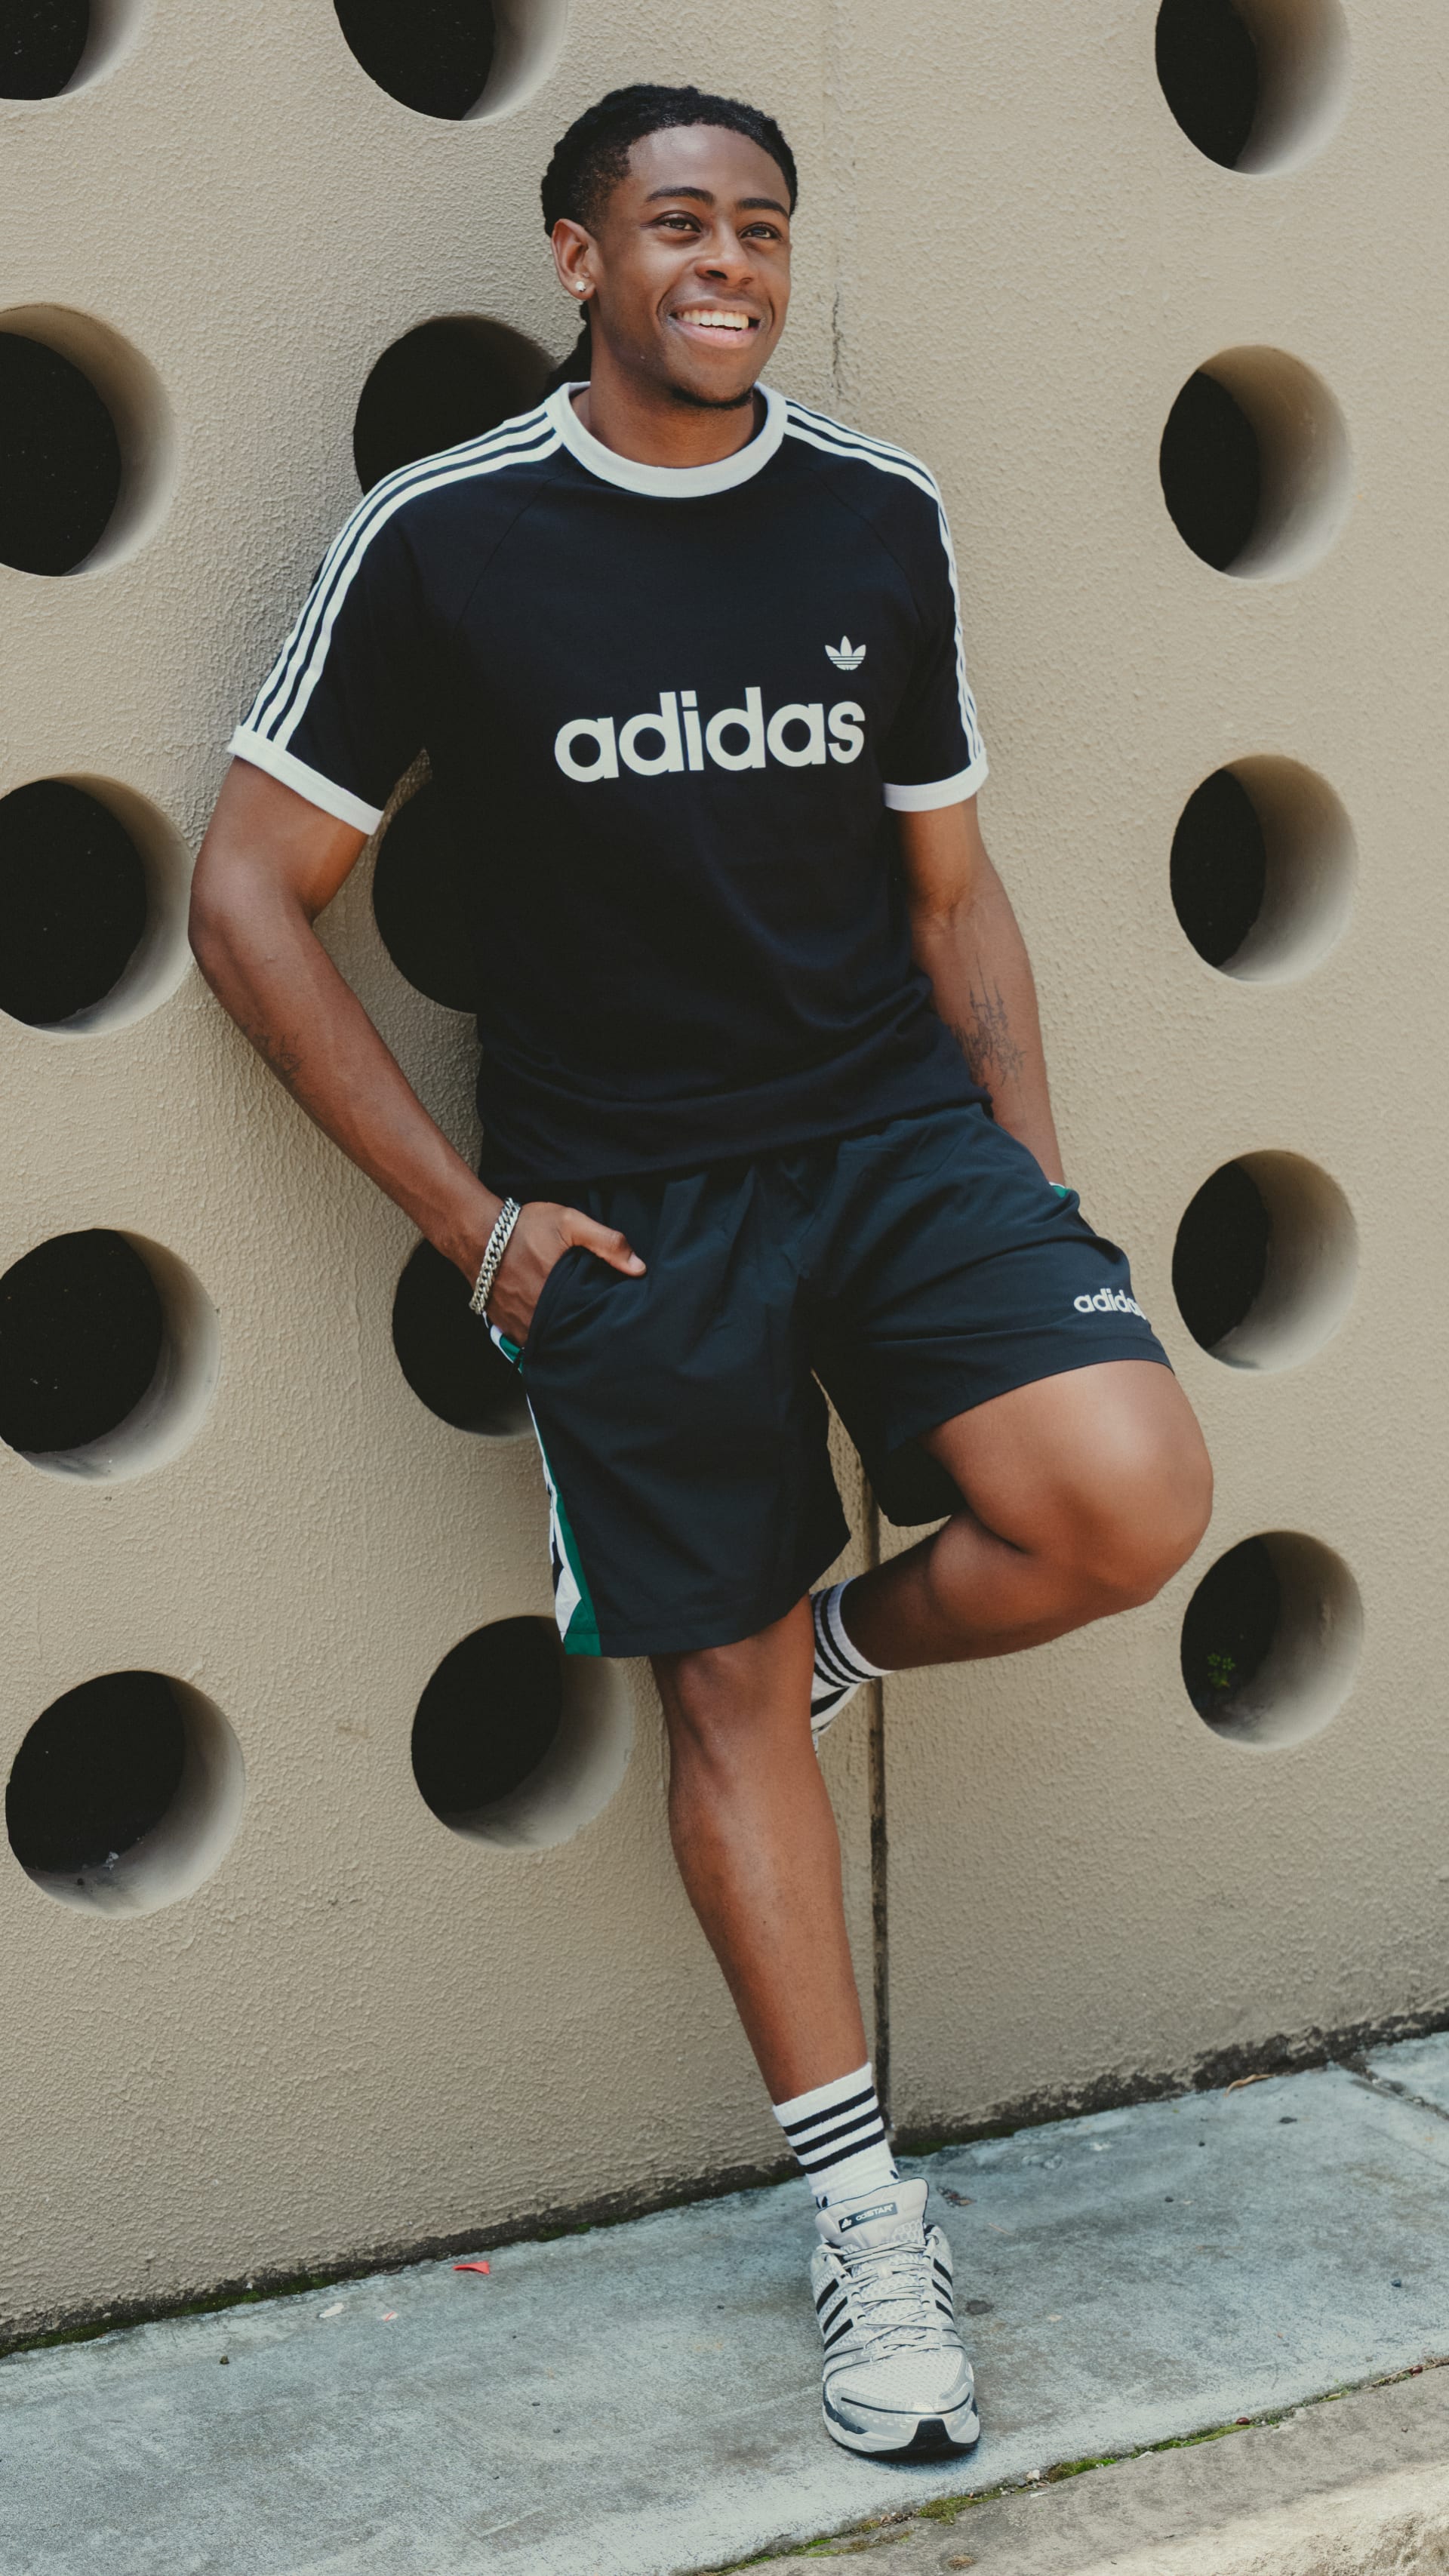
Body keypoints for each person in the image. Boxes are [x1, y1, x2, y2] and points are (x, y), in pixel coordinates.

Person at [191, 82, 1213, 2460]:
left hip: (892, 1142)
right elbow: (247, 896)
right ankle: (866, 2227)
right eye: (674, 223)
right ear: (575, 258)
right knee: (717, 1700)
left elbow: (955, 896)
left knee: (1126, 1498)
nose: (725, 262)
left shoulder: (877, 515)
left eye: (760, 223)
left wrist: (1034, 1194)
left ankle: (854, 1633)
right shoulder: (447, 539)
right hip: (629, 1212)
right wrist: (477, 1233)